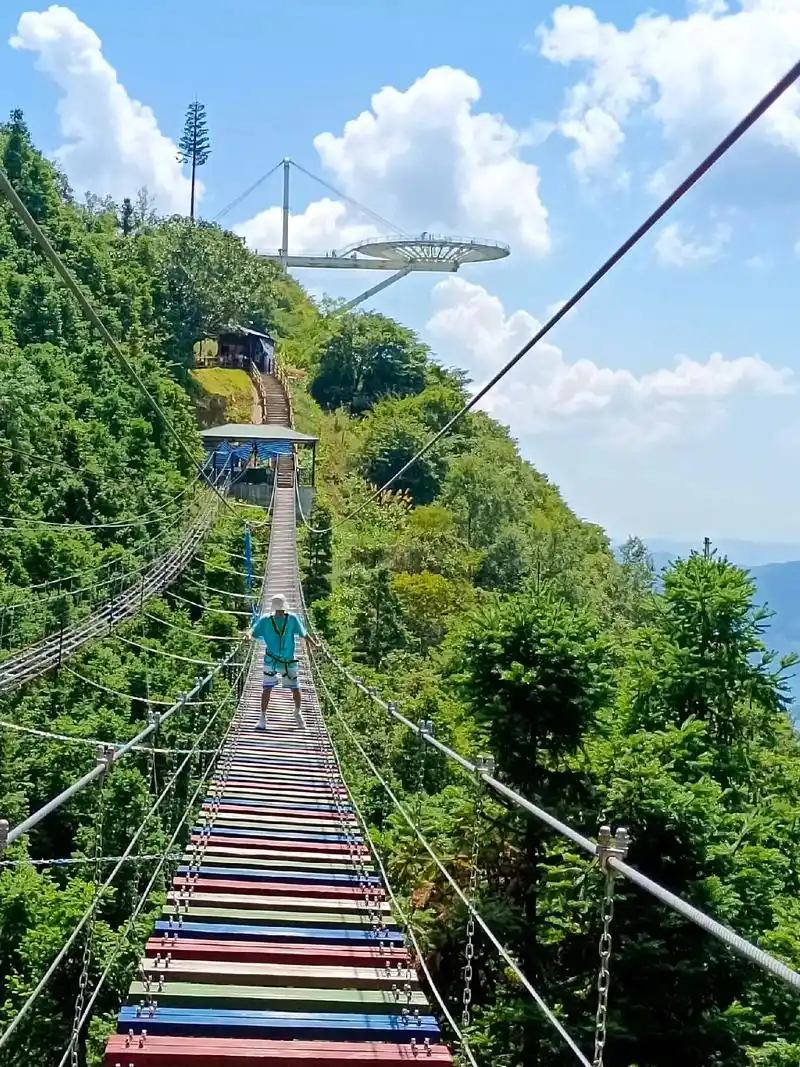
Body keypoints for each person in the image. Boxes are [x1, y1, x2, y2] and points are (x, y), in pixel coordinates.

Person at [251, 594, 314, 730]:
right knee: (268, 688)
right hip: (274, 660)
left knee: (295, 688)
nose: (280, 612)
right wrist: (247, 635)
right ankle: (263, 718)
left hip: (285, 660)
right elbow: (253, 631)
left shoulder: (292, 619)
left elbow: (304, 634)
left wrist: (314, 644)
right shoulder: (266, 620)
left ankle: (297, 712)